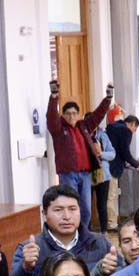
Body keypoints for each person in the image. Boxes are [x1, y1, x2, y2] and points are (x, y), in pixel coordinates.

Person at [8, 185, 115, 276]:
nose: (67, 217)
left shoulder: (100, 242)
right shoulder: (30, 248)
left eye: (72, 209)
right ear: (44, 214)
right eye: (58, 210)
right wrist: (26, 267)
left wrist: (111, 270)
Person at [47, 79, 115, 219]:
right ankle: (73, 232)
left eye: (74, 113)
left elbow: (98, 115)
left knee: (86, 210)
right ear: (63, 115)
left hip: (85, 174)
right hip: (68, 175)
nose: (71, 116)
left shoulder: (83, 126)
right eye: (68, 113)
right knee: (71, 207)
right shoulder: (58, 129)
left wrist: (108, 98)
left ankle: (84, 232)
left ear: (78, 115)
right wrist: (54, 96)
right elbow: (52, 117)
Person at [103, 114, 139, 230]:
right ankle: (112, 224)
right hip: (114, 167)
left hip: (104, 164)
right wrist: (137, 164)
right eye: (135, 128)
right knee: (112, 195)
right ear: (132, 124)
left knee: (105, 196)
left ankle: (106, 222)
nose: (134, 132)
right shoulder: (126, 131)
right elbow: (125, 152)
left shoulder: (111, 127)